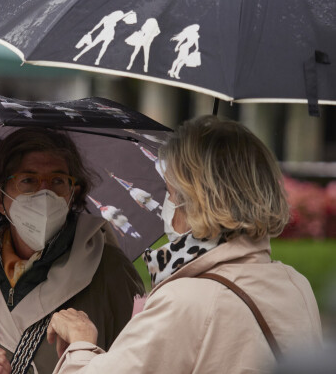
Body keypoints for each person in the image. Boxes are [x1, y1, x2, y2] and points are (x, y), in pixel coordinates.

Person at [47, 115, 323, 374]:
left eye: (170, 191)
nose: (165, 205)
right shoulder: (295, 284)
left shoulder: (187, 300)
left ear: (198, 201)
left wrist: (81, 343)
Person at [0, 127, 144, 374]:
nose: (44, 193)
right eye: (28, 180)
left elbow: (143, 364)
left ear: (73, 192)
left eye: (58, 181)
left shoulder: (108, 267)